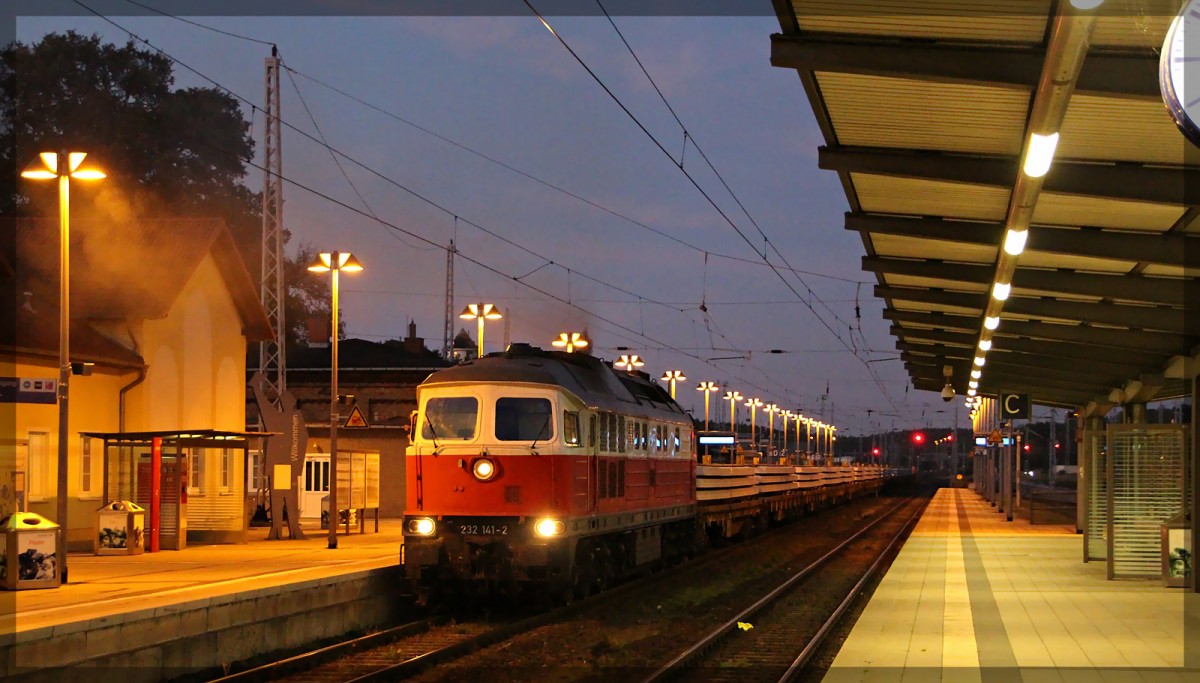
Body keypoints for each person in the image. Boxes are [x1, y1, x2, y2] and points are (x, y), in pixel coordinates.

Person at [250, 372, 308, 540]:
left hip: (281, 467)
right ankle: (290, 529)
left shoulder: (283, 420)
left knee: (279, 499)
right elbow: (303, 440)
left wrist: (256, 388)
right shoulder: (296, 420)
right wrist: (296, 465)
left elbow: (265, 407)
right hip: (287, 466)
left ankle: (279, 530)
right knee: (287, 499)